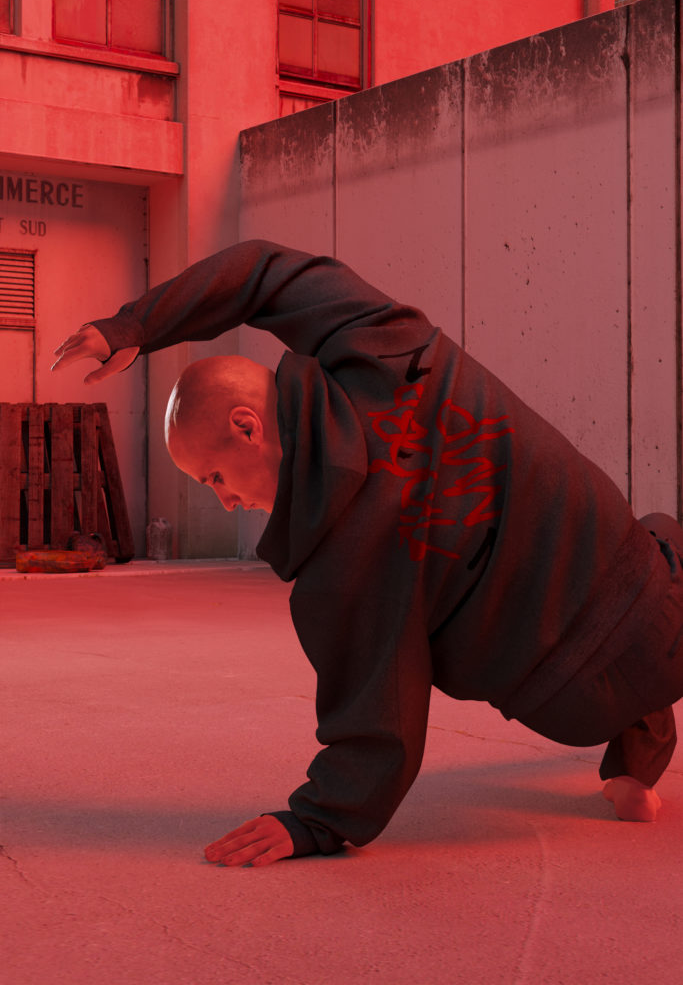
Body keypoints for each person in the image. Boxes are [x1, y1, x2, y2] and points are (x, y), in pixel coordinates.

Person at [52, 239, 683, 867]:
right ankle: (638, 757)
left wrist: (318, 821)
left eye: (214, 476)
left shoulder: (338, 572)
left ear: (248, 426)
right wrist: (135, 325)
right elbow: (266, 272)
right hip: (661, 610)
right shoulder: (386, 346)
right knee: (656, 531)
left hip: (569, 707)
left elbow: (382, 720)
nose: (226, 501)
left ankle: (632, 761)